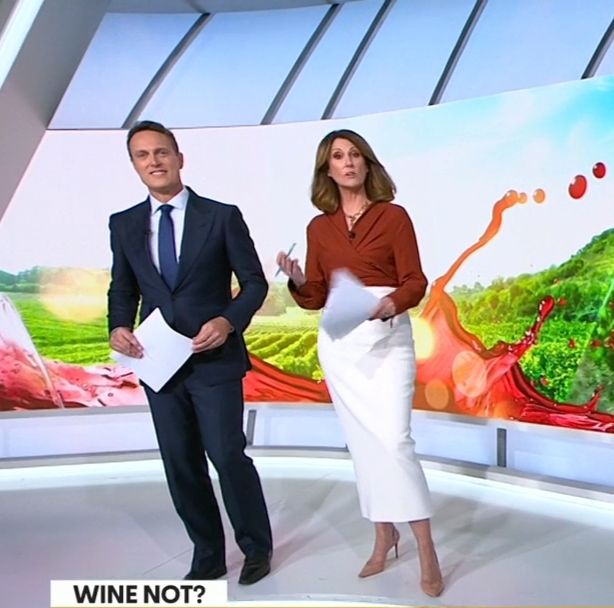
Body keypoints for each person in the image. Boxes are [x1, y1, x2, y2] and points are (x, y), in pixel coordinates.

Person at [276, 129, 444, 597]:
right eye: (338, 156)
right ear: (326, 169)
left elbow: (415, 280)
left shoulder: (394, 216)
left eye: (354, 155)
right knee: (364, 445)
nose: (347, 162)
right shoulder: (319, 228)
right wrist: (296, 280)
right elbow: (315, 296)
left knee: (394, 441)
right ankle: (383, 535)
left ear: (367, 163)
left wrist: (390, 303)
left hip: (387, 337)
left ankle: (426, 548)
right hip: (341, 343)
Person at [108, 120, 273, 585]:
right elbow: (123, 287)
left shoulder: (221, 216)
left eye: (161, 152)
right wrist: (118, 326)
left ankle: (256, 548)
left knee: (227, 454)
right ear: (134, 165)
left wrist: (227, 321)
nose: (154, 161)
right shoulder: (123, 224)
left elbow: (254, 283)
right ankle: (208, 555)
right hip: (158, 363)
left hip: (213, 361)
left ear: (179, 158)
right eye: (143, 155)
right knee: (180, 462)